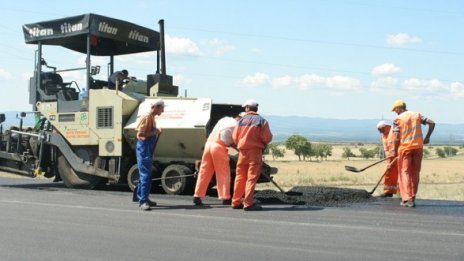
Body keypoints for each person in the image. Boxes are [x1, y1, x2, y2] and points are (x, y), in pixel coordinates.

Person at [192, 113, 244, 206]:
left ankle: (197, 196)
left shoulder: (225, 119)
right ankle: (225, 198)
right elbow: (234, 141)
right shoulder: (237, 125)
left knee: (204, 172)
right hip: (219, 147)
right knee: (223, 173)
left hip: (208, 145)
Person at [391, 99, 435, 208]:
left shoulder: (398, 119)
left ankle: (407, 199)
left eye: (395, 109)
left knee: (404, 172)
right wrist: (427, 137)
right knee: (415, 172)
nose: (395, 112)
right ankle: (412, 197)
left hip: (405, 149)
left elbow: (396, 137)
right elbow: (432, 123)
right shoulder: (417, 115)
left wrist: (395, 150)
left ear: (399, 108)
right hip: (418, 148)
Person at [231, 99, 273, 211]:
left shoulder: (240, 121)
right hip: (255, 152)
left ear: (248, 108)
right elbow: (267, 138)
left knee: (240, 177)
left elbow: (234, 138)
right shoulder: (262, 121)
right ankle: (248, 203)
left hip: (242, 152)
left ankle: (236, 201)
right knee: (251, 178)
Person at [135, 99, 165, 211]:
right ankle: (143, 201)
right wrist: (155, 132)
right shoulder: (147, 117)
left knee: (145, 174)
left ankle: (143, 197)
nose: (163, 110)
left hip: (146, 148)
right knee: (145, 175)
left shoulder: (151, 118)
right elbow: (140, 133)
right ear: (156, 107)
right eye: (162, 108)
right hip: (144, 149)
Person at [376, 120, 399, 197]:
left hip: (398, 157)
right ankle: (389, 192)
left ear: (385, 127)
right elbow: (386, 148)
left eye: (380, 130)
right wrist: (389, 160)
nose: (380, 132)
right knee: (389, 174)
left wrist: (396, 156)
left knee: (401, 175)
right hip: (390, 158)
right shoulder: (384, 136)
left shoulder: (395, 130)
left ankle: (403, 194)